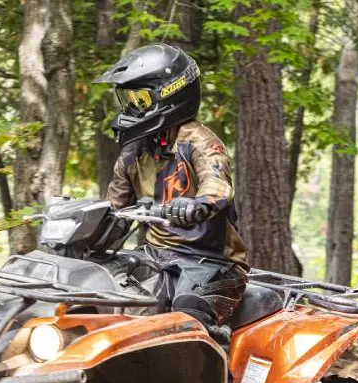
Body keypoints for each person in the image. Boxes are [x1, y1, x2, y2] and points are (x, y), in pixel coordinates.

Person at [95, 43, 247, 344]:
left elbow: (217, 187)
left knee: (187, 317)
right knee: (101, 284)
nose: (131, 108)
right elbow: (113, 207)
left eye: (139, 99)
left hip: (212, 263)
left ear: (170, 95)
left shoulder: (201, 142)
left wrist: (197, 205)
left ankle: (215, 379)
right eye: (127, 100)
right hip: (155, 255)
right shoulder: (133, 152)